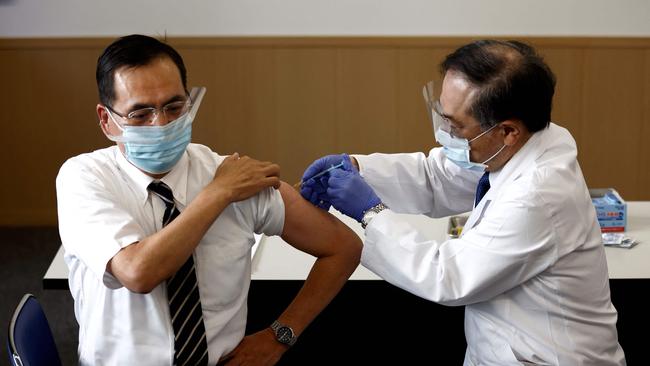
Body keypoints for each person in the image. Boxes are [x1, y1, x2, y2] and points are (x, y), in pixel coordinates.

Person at [300, 40, 626, 365]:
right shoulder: (523, 140)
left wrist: (370, 211)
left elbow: (449, 276)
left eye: (456, 125)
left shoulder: (538, 194)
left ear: (508, 131)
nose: (445, 133)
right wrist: (360, 169)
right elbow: (438, 177)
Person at [56, 34, 362, 366]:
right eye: (141, 114)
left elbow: (343, 247)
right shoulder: (83, 178)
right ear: (106, 120)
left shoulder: (232, 175)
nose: (161, 124)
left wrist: (280, 335)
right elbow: (138, 273)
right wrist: (218, 194)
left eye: (174, 107)